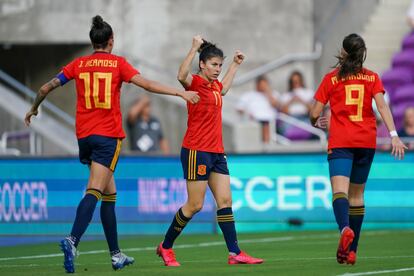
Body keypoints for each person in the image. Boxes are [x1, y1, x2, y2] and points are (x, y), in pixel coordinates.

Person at [24, 15, 199, 273]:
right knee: (94, 189)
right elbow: (147, 84)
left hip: (84, 136)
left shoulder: (79, 64)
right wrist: (179, 92)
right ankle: (72, 240)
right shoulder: (117, 64)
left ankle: (116, 254)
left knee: (109, 193)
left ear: (93, 42)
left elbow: (45, 87)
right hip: (107, 136)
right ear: (111, 41)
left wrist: (34, 109)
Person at [156, 35, 263, 266]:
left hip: (216, 151)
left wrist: (234, 64)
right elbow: (180, 76)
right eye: (214, 65)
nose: (217, 69)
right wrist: (193, 48)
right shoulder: (194, 82)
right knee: (195, 205)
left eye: (219, 66)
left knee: (225, 201)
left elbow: (223, 89)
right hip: (196, 150)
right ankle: (166, 246)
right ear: (202, 64)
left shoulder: (214, 86)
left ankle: (235, 253)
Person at [309, 33, 407, 265]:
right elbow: (382, 106)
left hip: (342, 142)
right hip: (366, 142)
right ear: (361, 53)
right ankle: (352, 250)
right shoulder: (372, 78)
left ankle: (344, 229)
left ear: (343, 52)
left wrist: (316, 122)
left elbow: (314, 112)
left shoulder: (331, 79)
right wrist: (394, 135)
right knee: (357, 196)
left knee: (340, 192)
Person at [236, 75, 279, 143]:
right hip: (253, 120)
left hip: (269, 121)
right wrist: (247, 113)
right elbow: (239, 109)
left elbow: (276, 105)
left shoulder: (273, 94)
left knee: (266, 124)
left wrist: (267, 92)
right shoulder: (249, 95)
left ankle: (266, 144)